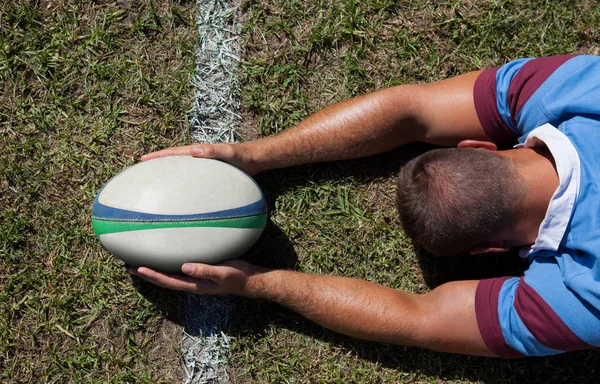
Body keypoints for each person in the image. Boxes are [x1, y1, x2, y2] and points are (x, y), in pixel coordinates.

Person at [128, 55, 600, 358]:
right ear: (480, 146)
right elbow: (419, 317)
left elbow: (420, 319)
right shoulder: (582, 89)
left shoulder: (580, 299)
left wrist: (258, 281)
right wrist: (248, 160)